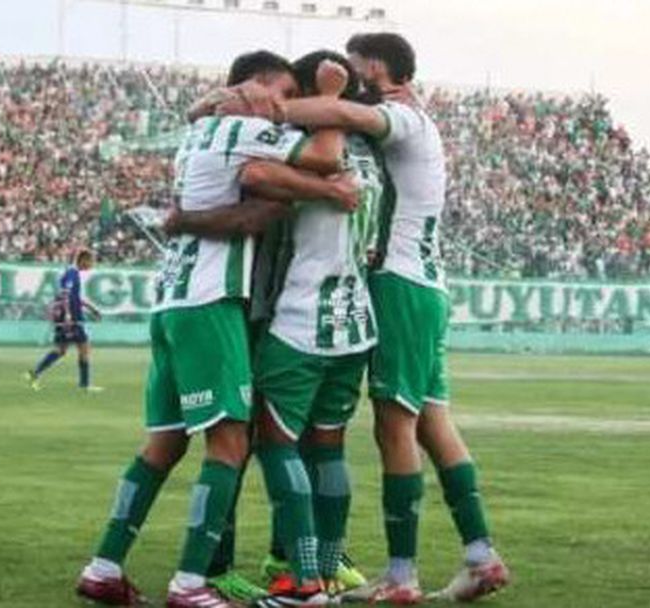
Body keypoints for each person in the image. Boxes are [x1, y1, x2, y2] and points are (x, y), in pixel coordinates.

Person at [233, 33, 511, 603]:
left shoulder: (398, 118)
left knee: (393, 427)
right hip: (422, 287)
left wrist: (255, 104)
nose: (351, 80)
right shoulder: (399, 126)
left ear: (377, 71)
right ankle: (480, 554)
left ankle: (400, 575)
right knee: (434, 422)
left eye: (357, 70)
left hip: (396, 287)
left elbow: (335, 112)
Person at [75, 49, 357, 608]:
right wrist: (329, 109)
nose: (284, 109)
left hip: (173, 302)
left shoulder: (200, 131)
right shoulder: (241, 128)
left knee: (163, 445)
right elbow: (326, 154)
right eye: (280, 96)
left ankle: (104, 566)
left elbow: (249, 204)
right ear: (252, 87)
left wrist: (291, 185)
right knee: (230, 441)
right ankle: (189, 584)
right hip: (211, 301)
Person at [171, 51, 381, 607]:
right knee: (327, 447)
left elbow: (261, 172)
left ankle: (303, 580)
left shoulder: (317, 150)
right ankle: (324, 569)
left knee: (263, 442)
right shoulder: (370, 158)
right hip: (354, 321)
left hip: (296, 317)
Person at [26, 248, 102, 391]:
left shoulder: (72, 273)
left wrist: (91, 308)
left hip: (69, 317)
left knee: (60, 350)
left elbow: (74, 297)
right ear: (83, 260)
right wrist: (68, 314)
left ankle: (34, 373)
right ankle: (84, 385)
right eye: (91, 261)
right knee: (84, 348)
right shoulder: (72, 274)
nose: (92, 264)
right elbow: (65, 295)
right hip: (72, 318)